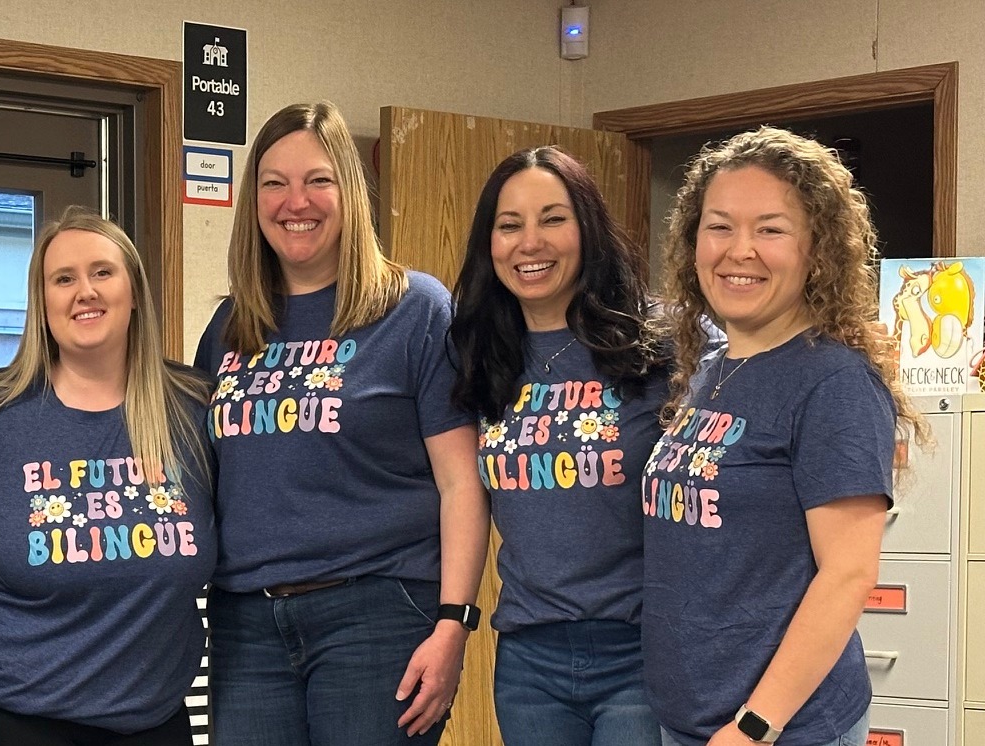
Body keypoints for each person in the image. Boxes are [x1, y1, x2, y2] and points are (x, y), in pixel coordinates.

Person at [193, 101, 487, 745]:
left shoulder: (416, 310)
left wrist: (453, 624)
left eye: (317, 180)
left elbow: (462, 484)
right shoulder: (229, 328)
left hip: (376, 614)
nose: (296, 201)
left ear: (349, 191)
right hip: (246, 625)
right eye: (275, 183)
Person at [641, 126, 926, 746]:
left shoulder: (833, 382)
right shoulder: (710, 369)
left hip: (779, 729)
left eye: (769, 229)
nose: (738, 250)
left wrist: (755, 725)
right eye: (719, 226)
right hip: (688, 720)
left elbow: (847, 575)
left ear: (816, 249)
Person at [0, 207, 214, 745]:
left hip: (156, 723)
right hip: (16, 719)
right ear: (42, 303)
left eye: (102, 272)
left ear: (134, 292)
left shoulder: (193, 407)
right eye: (63, 279)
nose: (84, 291)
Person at [448, 146, 668, 745]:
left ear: (587, 229)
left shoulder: (659, 343)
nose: (530, 243)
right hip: (528, 658)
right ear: (488, 243)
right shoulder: (477, 353)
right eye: (509, 225)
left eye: (553, 219)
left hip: (640, 650)